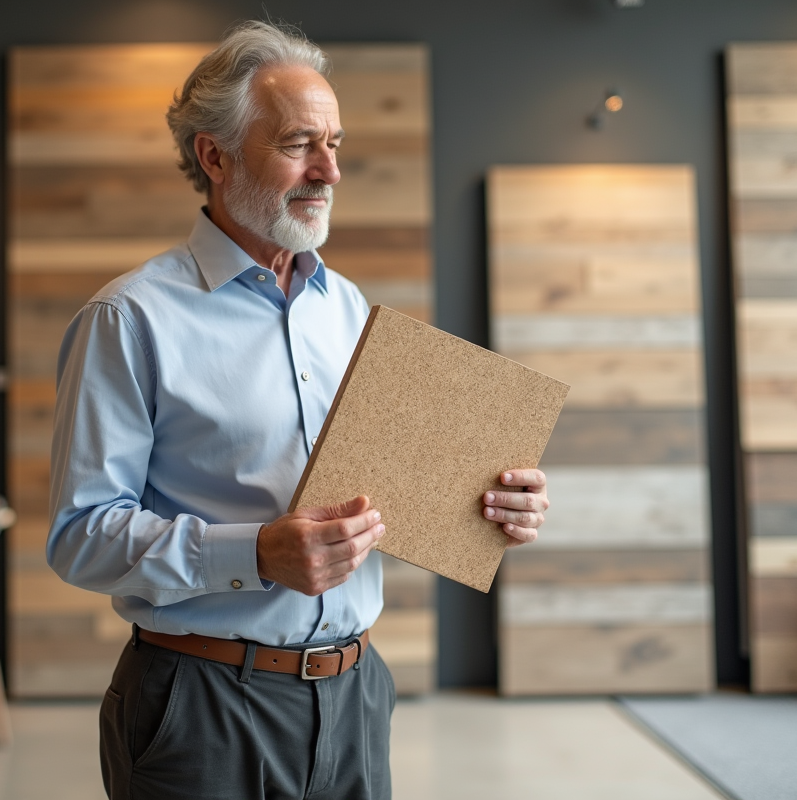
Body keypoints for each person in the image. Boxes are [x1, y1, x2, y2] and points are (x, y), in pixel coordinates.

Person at [46, 20, 549, 800]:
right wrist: (254, 554)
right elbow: (81, 536)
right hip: (201, 706)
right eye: (299, 145)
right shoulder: (130, 318)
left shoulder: (346, 308)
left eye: (336, 144)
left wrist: (490, 505)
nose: (330, 171)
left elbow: (389, 491)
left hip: (354, 695)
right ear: (215, 156)